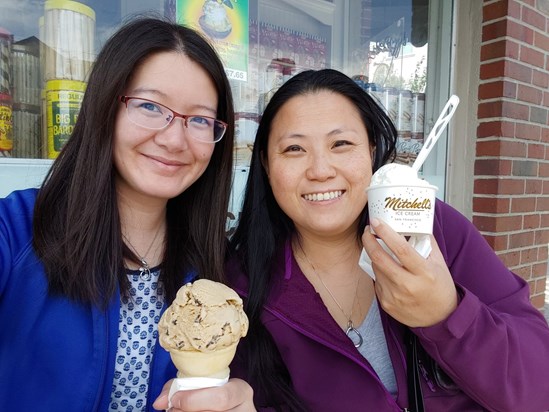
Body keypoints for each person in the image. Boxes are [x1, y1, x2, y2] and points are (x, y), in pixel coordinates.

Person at [227, 68, 549, 411]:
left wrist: (447, 315)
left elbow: (538, 387)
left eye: (341, 144)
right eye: (294, 148)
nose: (320, 170)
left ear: (372, 150)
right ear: (265, 162)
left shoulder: (434, 228)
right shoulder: (244, 283)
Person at [0, 17, 254, 412]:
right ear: (106, 106)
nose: (174, 139)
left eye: (200, 119)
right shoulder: (17, 230)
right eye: (150, 106)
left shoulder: (213, 266)